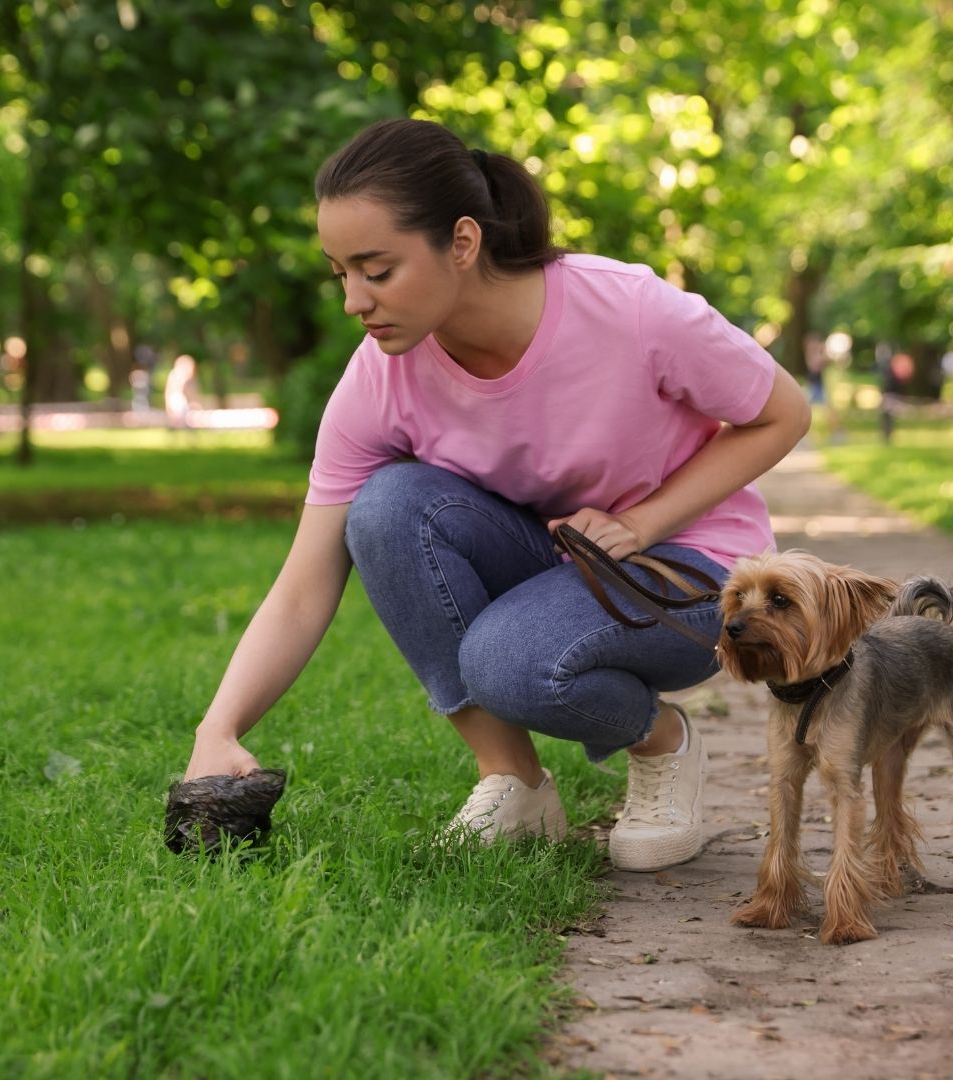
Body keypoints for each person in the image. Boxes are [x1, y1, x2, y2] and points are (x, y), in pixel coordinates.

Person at [182, 118, 811, 872]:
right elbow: (304, 582)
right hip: (561, 566)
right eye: (338, 273)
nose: (354, 300)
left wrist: (641, 522)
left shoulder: (629, 310)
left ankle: (662, 742)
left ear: (463, 243)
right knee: (384, 509)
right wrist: (215, 731)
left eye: (376, 270)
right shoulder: (380, 378)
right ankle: (513, 778)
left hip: (695, 574)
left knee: (509, 662)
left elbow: (783, 411)